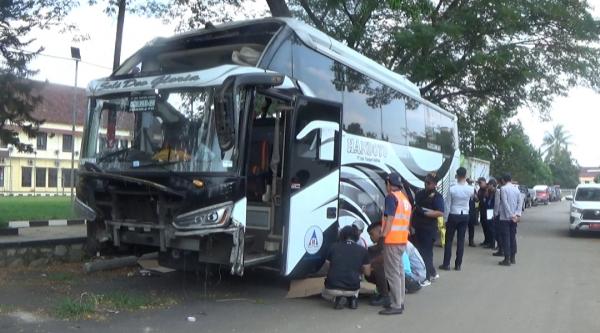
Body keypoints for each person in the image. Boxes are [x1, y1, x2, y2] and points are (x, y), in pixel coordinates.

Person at [379, 172, 411, 315]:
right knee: (399, 272)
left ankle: (396, 305)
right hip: (402, 240)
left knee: (392, 273)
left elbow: (390, 219)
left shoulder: (391, 197)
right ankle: (400, 301)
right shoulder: (404, 199)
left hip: (392, 240)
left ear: (388, 183)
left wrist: (383, 235)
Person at [322, 225, 371, 309]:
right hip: (353, 288)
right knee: (356, 277)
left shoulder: (333, 247)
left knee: (324, 293)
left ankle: (338, 298)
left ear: (341, 235)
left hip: (332, 288)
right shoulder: (362, 250)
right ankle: (353, 298)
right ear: (356, 236)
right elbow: (367, 273)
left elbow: (327, 268)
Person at [440, 167, 474, 271]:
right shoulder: (470, 189)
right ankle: (458, 264)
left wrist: (445, 219)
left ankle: (446, 264)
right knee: (461, 240)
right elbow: (471, 199)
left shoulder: (452, 188)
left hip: (453, 214)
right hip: (465, 215)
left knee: (449, 240)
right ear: (466, 175)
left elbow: (447, 205)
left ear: (457, 175)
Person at [412, 173, 444, 284]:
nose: (426, 184)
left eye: (429, 182)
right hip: (418, 227)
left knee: (426, 253)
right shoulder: (420, 194)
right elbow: (415, 208)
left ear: (435, 184)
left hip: (429, 228)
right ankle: (433, 273)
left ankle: (426, 278)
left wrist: (425, 213)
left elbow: (440, 212)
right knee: (420, 252)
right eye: (425, 181)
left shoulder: (437, 197)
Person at [497, 174, 523, 266]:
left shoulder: (503, 189)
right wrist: (517, 214)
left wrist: (511, 215)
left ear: (503, 180)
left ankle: (507, 258)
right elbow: (520, 202)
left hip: (505, 217)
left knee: (506, 238)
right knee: (512, 237)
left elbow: (505, 203)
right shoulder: (516, 189)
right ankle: (513, 257)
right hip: (514, 218)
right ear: (511, 180)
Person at [365, 222, 390, 307]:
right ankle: (382, 292)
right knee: (369, 272)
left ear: (380, 232)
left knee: (376, 267)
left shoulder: (386, 241)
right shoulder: (378, 244)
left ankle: (385, 296)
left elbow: (383, 257)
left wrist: (370, 264)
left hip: (403, 277)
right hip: (395, 276)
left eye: (372, 234)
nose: (370, 238)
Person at [476, 177, 492, 247]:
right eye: (478, 183)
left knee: (489, 226)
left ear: (485, 182)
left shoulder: (488, 189)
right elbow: (478, 199)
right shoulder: (480, 190)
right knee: (484, 226)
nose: (479, 184)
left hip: (489, 210)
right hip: (482, 209)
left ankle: (491, 242)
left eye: (480, 183)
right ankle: (486, 240)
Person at [493, 177, 506, 257]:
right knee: (504, 234)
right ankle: (504, 249)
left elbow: (497, 203)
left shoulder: (499, 190)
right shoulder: (511, 189)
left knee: (498, 233)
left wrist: (495, 213)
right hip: (507, 214)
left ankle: (501, 250)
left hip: (499, 214)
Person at [467, 178, 478, 247]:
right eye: (469, 182)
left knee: (471, 226)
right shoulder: (467, 189)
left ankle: (471, 241)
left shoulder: (473, 190)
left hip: (471, 209)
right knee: (465, 226)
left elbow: (477, 200)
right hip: (467, 208)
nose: (470, 184)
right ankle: (470, 241)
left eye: (471, 183)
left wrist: (475, 197)